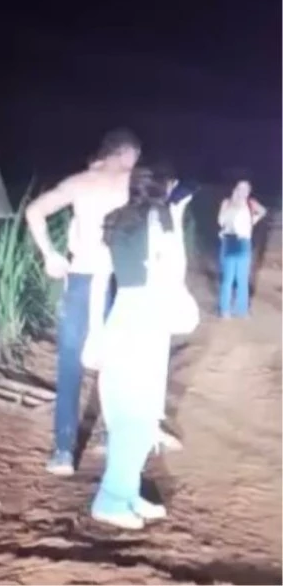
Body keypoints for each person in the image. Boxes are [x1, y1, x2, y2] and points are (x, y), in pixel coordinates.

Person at [85, 167, 198, 529]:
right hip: (149, 316)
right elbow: (173, 270)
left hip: (122, 313)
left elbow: (99, 280)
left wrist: (94, 333)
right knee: (139, 415)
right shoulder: (160, 217)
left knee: (126, 410)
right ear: (164, 186)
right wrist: (177, 216)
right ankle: (111, 498)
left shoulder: (114, 219)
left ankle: (128, 491)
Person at [25, 129, 140, 476]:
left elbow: (34, 211)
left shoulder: (79, 182)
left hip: (81, 277)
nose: (133, 166)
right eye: (132, 159)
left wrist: (50, 254)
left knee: (71, 362)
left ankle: (63, 450)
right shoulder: (131, 183)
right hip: (120, 279)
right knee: (118, 360)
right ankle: (109, 433)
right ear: (123, 154)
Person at [217, 179, 266, 319]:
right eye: (240, 188)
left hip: (244, 242)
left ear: (249, 191)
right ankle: (225, 310)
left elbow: (263, 211)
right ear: (235, 189)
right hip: (230, 240)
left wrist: (253, 219)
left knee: (242, 278)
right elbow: (220, 221)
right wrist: (234, 207)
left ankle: (242, 310)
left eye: (246, 189)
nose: (243, 191)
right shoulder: (227, 203)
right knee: (228, 278)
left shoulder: (250, 203)